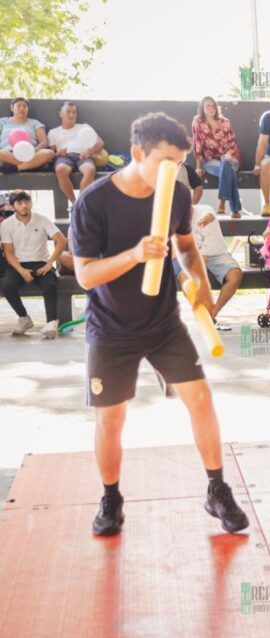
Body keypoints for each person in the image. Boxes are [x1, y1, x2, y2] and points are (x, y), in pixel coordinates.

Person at [68, 112, 248, 537]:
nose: (175, 171)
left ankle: (216, 489)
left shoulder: (180, 197)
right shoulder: (94, 202)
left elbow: (186, 248)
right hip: (110, 327)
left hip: (163, 321)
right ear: (137, 153)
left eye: (180, 163)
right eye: (166, 161)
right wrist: (135, 255)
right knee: (110, 420)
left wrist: (201, 285)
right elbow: (85, 275)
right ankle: (111, 497)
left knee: (201, 399)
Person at [1, 191, 66, 338]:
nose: (24, 206)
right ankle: (24, 318)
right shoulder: (6, 224)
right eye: (20, 203)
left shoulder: (42, 219)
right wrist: (21, 270)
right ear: (13, 206)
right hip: (18, 264)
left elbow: (61, 240)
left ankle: (51, 323)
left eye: (27, 202)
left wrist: (50, 263)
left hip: (41, 262)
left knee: (50, 286)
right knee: (7, 285)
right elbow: (9, 252)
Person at [172, 205, 243, 331]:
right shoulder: (172, 220)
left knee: (235, 275)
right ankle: (205, 317)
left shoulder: (203, 210)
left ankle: (213, 312)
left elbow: (209, 214)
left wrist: (205, 219)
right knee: (188, 282)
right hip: (191, 257)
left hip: (217, 255)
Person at [192, 96, 243, 219]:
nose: (211, 108)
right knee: (227, 169)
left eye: (213, 105)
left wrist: (229, 154)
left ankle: (222, 201)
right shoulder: (198, 121)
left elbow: (233, 144)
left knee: (226, 163)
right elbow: (197, 145)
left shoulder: (225, 122)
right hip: (210, 161)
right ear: (202, 108)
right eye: (207, 106)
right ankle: (234, 209)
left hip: (231, 158)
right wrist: (199, 168)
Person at [48, 102, 104, 207]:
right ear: (61, 114)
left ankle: (80, 204)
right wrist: (58, 153)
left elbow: (100, 143)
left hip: (83, 156)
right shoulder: (53, 132)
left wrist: (89, 152)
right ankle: (75, 203)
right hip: (64, 157)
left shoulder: (84, 127)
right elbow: (52, 153)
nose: (71, 114)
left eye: (74, 112)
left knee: (90, 170)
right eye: (68, 112)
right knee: (60, 170)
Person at [0, 98, 56, 172]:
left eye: (25, 106)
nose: (22, 108)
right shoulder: (3, 121)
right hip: (8, 153)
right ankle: (30, 165)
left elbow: (44, 142)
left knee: (50, 153)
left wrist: (33, 151)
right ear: (12, 108)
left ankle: (16, 168)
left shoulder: (35, 123)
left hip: (31, 154)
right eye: (19, 106)